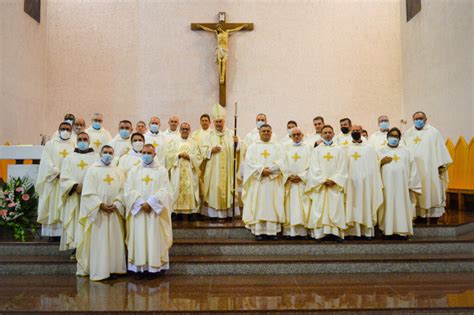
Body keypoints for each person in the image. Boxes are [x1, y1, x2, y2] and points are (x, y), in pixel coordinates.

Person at [76, 145, 126, 281]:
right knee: (100, 240)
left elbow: (123, 190)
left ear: (114, 155)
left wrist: (117, 203)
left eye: (110, 153)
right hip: (98, 212)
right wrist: (100, 204)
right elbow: (88, 191)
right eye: (105, 152)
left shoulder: (118, 171)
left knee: (114, 240)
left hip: (114, 211)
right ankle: (100, 270)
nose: (108, 155)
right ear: (100, 154)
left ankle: (115, 268)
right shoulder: (92, 170)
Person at [124, 144, 173, 279]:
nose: (146, 155)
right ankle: (139, 269)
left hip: (154, 213)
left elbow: (166, 190)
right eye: (143, 153)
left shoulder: (161, 171)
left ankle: (154, 268)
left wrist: (151, 202)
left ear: (154, 154)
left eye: (149, 153)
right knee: (139, 239)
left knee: (154, 238)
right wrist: (140, 202)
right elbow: (128, 190)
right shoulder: (134, 171)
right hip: (139, 211)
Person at [403, 111, 452, 223]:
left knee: (431, 192)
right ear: (413, 120)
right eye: (416, 119)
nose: (419, 120)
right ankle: (420, 217)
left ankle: (434, 218)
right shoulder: (408, 133)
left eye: (421, 118)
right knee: (418, 193)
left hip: (431, 171)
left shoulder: (434, 132)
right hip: (415, 172)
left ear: (426, 119)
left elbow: (440, 149)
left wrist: (441, 166)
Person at [243, 124, 287, 240]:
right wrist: (262, 170)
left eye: (268, 131)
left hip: (273, 181)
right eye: (264, 131)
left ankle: (273, 232)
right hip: (259, 181)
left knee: (273, 205)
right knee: (259, 205)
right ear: (259, 133)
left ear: (271, 133)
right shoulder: (253, 147)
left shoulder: (278, 146)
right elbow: (249, 162)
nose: (266, 133)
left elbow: (282, 162)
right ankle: (259, 232)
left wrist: (271, 170)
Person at [305, 125, 348, 241]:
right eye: (325, 133)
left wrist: (334, 180)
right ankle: (320, 233)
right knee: (320, 208)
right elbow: (314, 168)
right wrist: (323, 180)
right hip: (321, 186)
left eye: (330, 132)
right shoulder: (316, 150)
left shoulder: (339, 150)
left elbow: (342, 168)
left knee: (335, 209)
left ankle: (335, 233)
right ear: (321, 135)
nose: (328, 134)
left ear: (334, 134)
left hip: (334, 186)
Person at [59, 132, 98, 256]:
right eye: (80, 139)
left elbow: (100, 175)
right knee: (76, 222)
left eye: (85, 139)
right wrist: (75, 186)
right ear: (76, 141)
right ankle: (76, 247)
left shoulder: (96, 157)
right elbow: (64, 176)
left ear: (89, 140)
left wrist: (88, 188)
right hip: (75, 195)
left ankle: (90, 247)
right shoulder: (69, 158)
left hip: (90, 196)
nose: (82, 141)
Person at [378, 127, 421, 238]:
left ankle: (402, 231)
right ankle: (387, 231)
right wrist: (380, 163)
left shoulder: (406, 152)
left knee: (402, 207)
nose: (394, 138)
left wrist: (412, 184)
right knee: (387, 207)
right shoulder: (380, 152)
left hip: (402, 187)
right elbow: (373, 170)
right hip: (386, 187)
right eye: (392, 136)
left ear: (400, 138)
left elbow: (413, 169)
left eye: (396, 136)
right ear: (387, 138)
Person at [36, 122, 76, 239]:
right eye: (63, 129)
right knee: (52, 205)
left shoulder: (74, 145)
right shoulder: (50, 144)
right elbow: (46, 161)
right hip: (54, 181)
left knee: (65, 206)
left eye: (68, 129)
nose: (65, 131)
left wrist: (67, 175)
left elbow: (76, 162)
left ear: (71, 131)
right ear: (58, 131)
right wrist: (56, 172)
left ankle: (65, 234)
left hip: (67, 182)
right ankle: (52, 234)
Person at [201, 104, 240, 219]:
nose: (218, 124)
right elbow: (202, 151)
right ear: (213, 122)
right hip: (214, 170)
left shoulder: (231, 133)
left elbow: (238, 150)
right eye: (216, 122)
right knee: (215, 189)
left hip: (228, 169)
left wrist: (237, 143)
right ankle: (215, 214)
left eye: (220, 121)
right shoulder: (208, 135)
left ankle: (227, 213)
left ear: (224, 121)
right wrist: (210, 150)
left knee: (228, 188)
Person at [345, 125, 383, 239]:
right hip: (351, 183)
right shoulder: (345, 148)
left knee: (366, 204)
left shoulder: (369, 148)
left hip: (366, 184)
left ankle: (366, 232)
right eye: (354, 131)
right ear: (350, 132)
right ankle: (352, 232)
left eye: (358, 130)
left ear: (362, 132)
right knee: (352, 206)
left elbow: (374, 166)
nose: (356, 132)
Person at [167, 123, 202, 219]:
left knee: (191, 190)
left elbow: (199, 157)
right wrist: (178, 155)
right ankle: (176, 213)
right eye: (183, 129)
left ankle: (191, 213)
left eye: (187, 129)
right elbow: (169, 155)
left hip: (190, 172)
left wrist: (190, 156)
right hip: (177, 171)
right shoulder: (174, 142)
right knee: (175, 189)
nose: (185, 131)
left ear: (190, 130)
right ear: (180, 130)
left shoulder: (194, 143)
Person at [283, 127, 311, 238]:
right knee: (291, 207)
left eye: (298, 134)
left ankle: (303, 231)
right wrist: (289, 176)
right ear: (290, 137)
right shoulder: (286, 148)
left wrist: (301, 176)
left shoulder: (308, 148)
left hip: (302, 182)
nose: (296, 136)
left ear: (302, 135)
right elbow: (283, 164)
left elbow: (311, 165)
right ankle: (290, 231)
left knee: (303, 206)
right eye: (294, 135)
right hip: (290, 183)